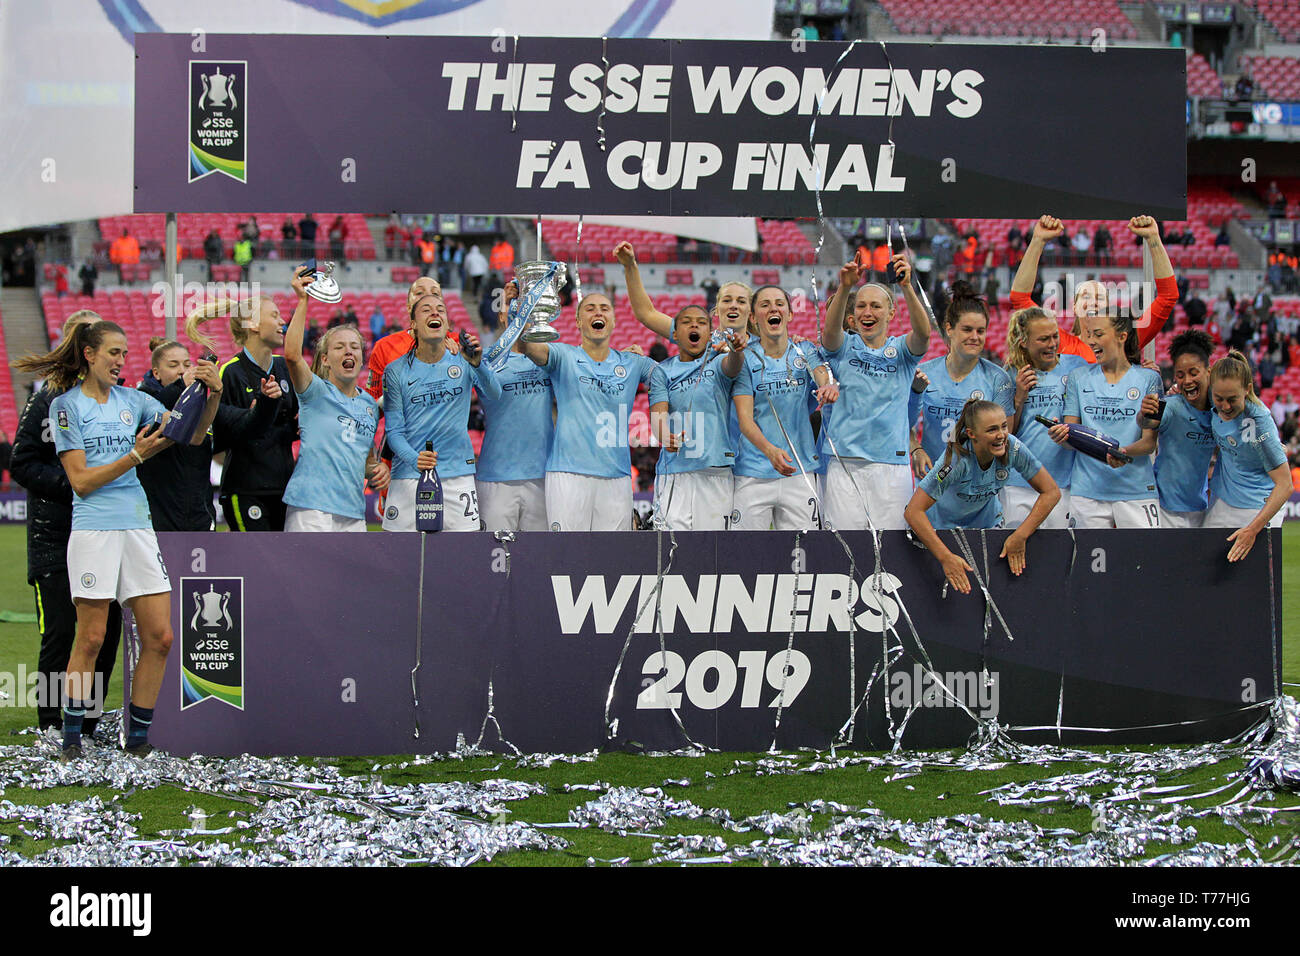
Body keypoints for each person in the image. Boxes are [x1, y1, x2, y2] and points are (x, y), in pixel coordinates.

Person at [34, 320, 219, 760]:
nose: (121, 361)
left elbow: (191, 434)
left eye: (124, 353)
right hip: (94, 529)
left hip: (138, 526)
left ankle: (138, 741)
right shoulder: (65, 407)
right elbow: (80, 481)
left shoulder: (135, 401)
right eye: (114, 353)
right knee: (91, 639)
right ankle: (73, 738)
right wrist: (134, 456)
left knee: (161, 637)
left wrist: (210, 396)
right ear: (89, 355)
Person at [10, 311, 122, 735]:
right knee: (61, 631)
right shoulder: (48, 398)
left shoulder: (118, 397)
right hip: (55, 535)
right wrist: (76, 485)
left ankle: (88, 722)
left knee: (107, 631)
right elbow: (21, 462)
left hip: (106, 532)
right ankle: (50, 723)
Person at [521, 292, 656, 531]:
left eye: (605, 308)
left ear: (614, 320)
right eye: (590, 308)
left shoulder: (632, 362)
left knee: (612, 561)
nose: (598, 312)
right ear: (578, 321)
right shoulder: (564, 356)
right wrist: (521, 309)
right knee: (565, 556)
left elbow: (675, 376)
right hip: (568, 474)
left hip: (617, 476)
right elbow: (530, 347)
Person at [819, 252, 929, 531]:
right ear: (853, 316)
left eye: (876, 306)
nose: (868, 312)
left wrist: (906, 286)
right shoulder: (844, 347)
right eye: (862, 307)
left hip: (891, 465)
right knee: (844, 547)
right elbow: (829, 334)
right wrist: (844, 288)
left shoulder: (902, 351)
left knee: (892, 547)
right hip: (845, 464)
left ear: (891, 313)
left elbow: (924, 334)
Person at [905, 399, 1060, 593]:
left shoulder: (1013, 447)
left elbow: (1051, 492)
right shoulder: (955, 461)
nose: (1001, 435)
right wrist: (946, 558)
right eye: (992, 430)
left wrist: (1021, 535)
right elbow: (913, 512)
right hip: (942, 528)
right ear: (972, 434)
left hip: (987, 524)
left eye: (1004, 426)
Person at [281, 267, 388, 531]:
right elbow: (293, 355)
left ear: (362, 359)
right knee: (308, 574)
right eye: (339, 347)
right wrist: (303, 301)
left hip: (353, 511)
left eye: (354, 347)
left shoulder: (369, 406)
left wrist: (377, 470)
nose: (349, 351)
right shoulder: (314, 392)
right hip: (311, 507)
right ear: (326, 360)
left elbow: (365, 459)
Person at [137, 339, 280, 531]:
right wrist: (181, 386)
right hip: (156, 522)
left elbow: (245, 426)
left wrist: (267, 403)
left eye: (187, 365)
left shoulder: (206, 408)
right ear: (156, 373)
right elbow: (159, 412)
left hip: (200, 519)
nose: (182, 370)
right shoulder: (142, 403)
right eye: (173, 365)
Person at [381, 293, 497, 531]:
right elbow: (393, 432)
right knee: (401, 559)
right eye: (426, 309)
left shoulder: (464, 359)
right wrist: (416, 460)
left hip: (457, 473)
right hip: (409, 474)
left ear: (446, 322)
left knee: (461, 556)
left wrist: (479, 365)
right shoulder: (395, 371)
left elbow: (495, 397)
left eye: (440, 309)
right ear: (413, 324)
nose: (435, 312)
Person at [731, 285, 839, 531]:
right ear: (753, 317)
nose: (773, 308)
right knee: (745, 555)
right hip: (753, 473)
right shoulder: (744, 359)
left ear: (789, 314)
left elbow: (824, 376)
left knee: (804, 556)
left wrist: (829, 387)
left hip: (799, 472)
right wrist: (770, 452)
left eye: (779, 303)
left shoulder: (806, 350)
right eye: (764, 304)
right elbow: (745, 420)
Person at [189, 296, 299, 531]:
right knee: (257, 565)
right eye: (274, 315)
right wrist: (259, 411)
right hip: (246, 489)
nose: (283, 323)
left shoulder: (285, 367)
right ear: (253, 323)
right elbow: (221, 437)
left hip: (285, 487)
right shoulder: (229, 373)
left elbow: (296, 421)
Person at [1051, 310, 1163, 528]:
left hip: (1136, 491)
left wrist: (1123, 453)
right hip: (1087, 493)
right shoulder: (1078, 377)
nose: (1091, 341)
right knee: (1084, 561)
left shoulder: (1149, 378)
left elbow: (1149, 442)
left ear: (1122, 336)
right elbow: (1071, 436)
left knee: (1144, 560)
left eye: (1099, 334)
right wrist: (1060, 436)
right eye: (1089, 334)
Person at [1010, 215, 1177, 362]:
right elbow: (1019, 298)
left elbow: (1168, 296)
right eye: (1086, 296)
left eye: (1100, 297)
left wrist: (1154, 238)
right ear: (1074, 307)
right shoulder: (1059, 343)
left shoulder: (1125, 340)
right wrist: (1038, 240)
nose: (1093, 302)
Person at [648, 304, 745, 529]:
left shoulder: (719, 362)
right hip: (674, 473)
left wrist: (737, 351)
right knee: (672, 551)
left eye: (701, 322)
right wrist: (665, 435)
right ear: (674, 334)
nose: (694, 325)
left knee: (714, 554)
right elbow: (658, 415)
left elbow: (733, 366)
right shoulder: (663, 372)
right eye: (686, 321)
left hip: (716, 471)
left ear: (710, 334)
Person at [476, 281, 555, 532]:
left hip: (542, 475)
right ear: (502, 316)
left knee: (541, 562)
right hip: (495, 477)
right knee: (491, 561)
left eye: (527, 313)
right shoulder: (485, 359)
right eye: (513, 310)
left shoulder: (551, 359)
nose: (522, 318)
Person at [1001, 306, 1088, 528]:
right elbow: (1007, 433)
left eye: (1055, 336)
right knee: (1017, 551)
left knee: (1056, 553)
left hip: (1062, 482)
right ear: (1024, 342)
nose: (1052, 344)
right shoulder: (1010, 374)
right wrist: (1019, 396)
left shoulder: (1076, 367)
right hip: (1019, 481)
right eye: (1043, 339)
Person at [1204, 350, 1291, 560]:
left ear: (1247, 389)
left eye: (1232, 399)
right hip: (1223, 500)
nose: (1224, 406)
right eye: (1219, 399)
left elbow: (1285, 485)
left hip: (1258, 507)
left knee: (1251, 587)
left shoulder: (1259, 422)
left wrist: (1252, 530)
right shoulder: (1213, 398)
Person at [1145, 330, 1216, 528]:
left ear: (1208, 372)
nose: (1187, 381)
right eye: (1180, 375)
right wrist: (1145, 414)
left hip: (1200, 508)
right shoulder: (1173, 405)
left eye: (1194, 373)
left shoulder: (1218, 411)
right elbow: (1148, 422)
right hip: (1165, 508)